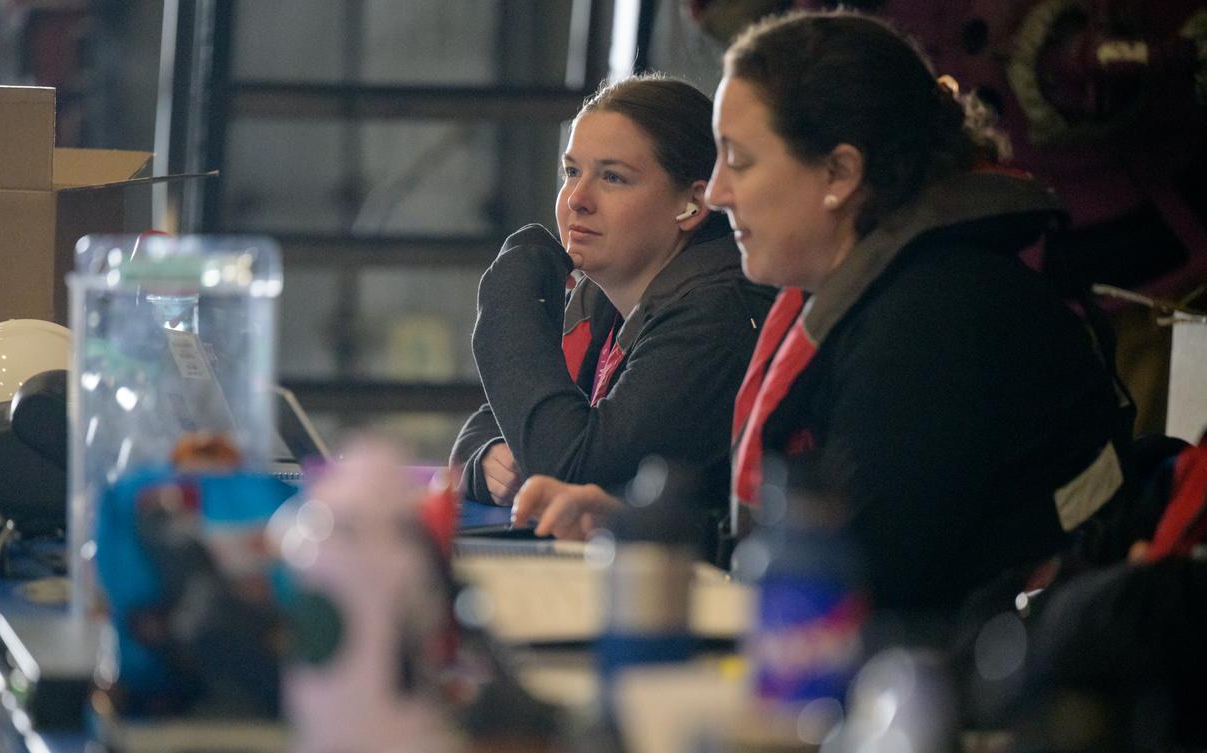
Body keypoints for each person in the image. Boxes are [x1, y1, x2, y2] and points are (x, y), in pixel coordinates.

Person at [514, 10, 1127, 612]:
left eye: (740, 160)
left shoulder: (935, 320)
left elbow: (870, 593)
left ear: (839, 172)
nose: (720, 193)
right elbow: (836, 548)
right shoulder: (882, 291)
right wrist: (646, 531)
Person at [450, 74, 775, 534]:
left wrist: (510, 302)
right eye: (572, 172)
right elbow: (502, 417)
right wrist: (486, 462)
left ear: (692, 204)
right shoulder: (601, 302)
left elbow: (575, 468)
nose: (577, 200)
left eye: (613, 177)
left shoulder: (715, 316)